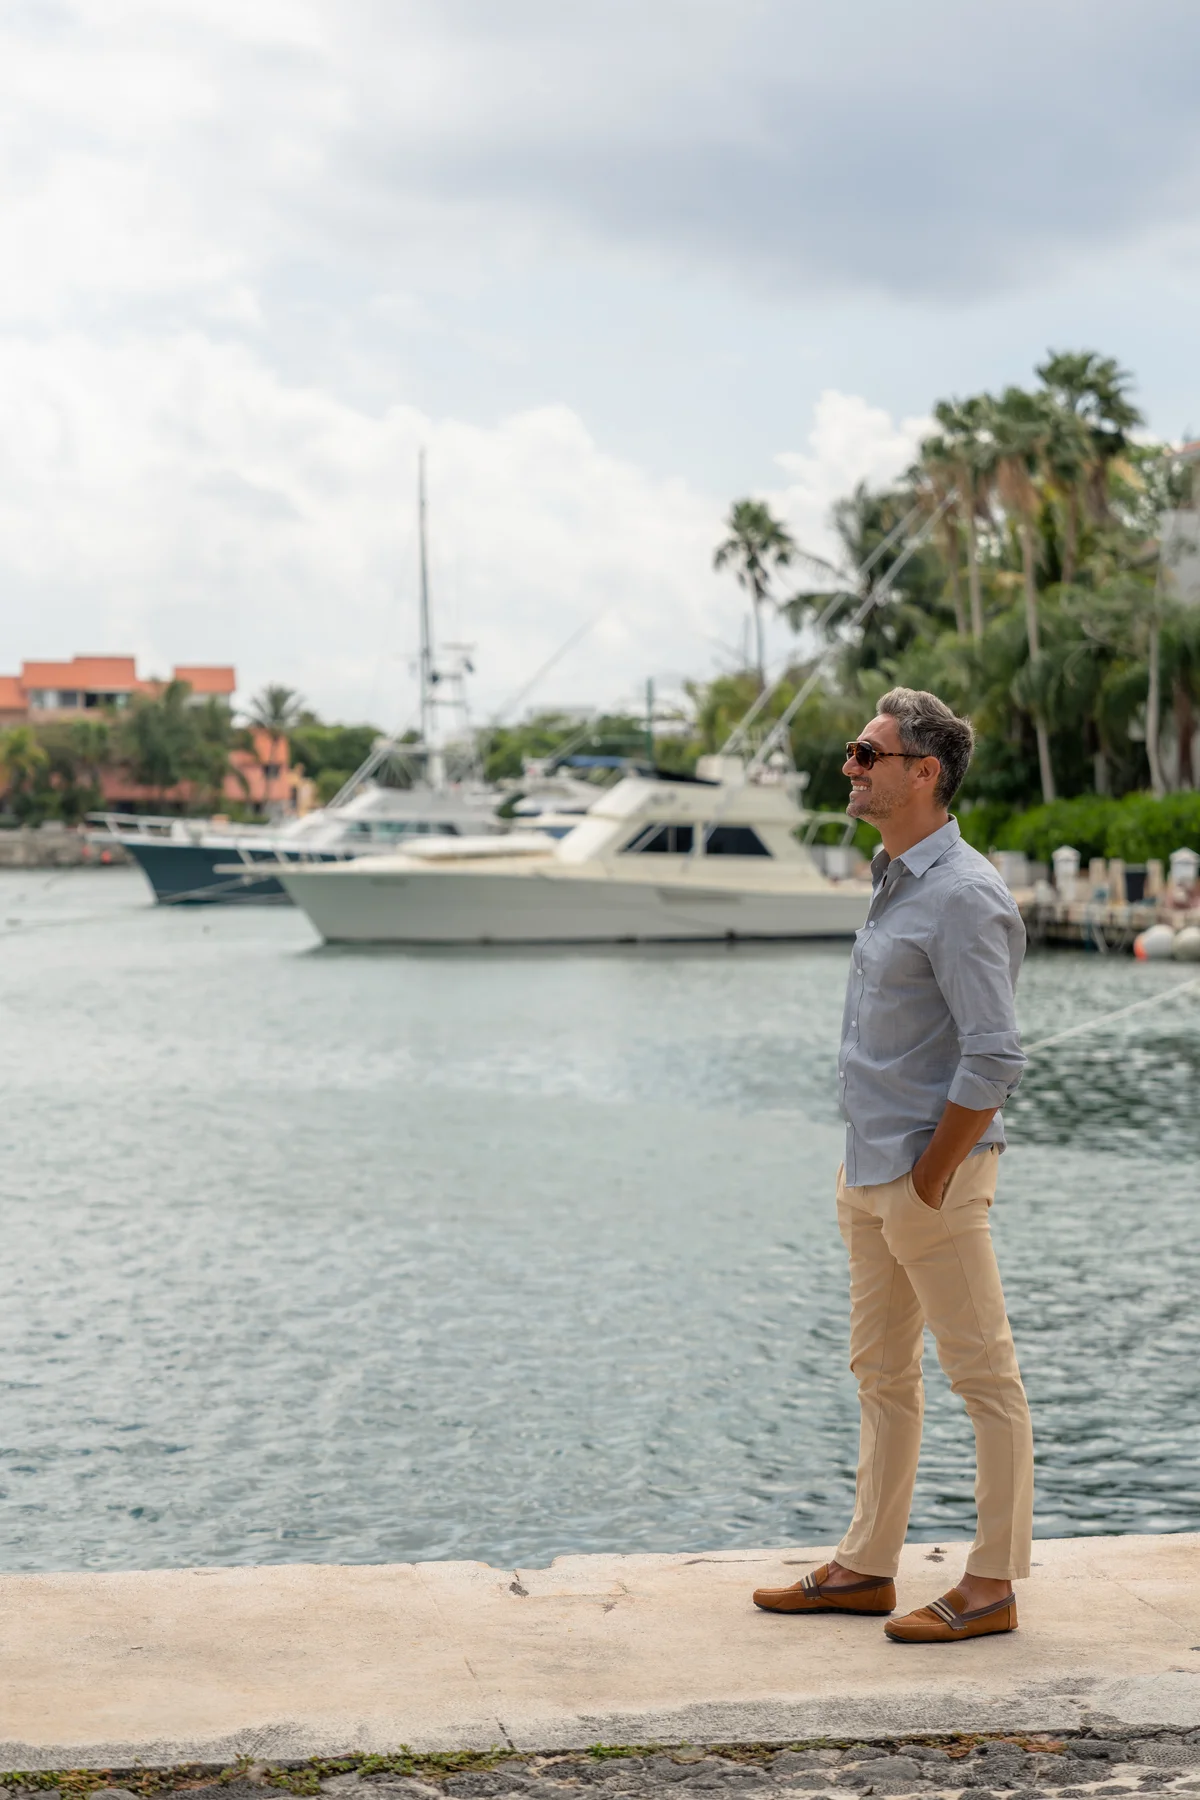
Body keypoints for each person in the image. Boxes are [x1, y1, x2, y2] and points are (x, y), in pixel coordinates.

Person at [753, 687, 1033, 1644]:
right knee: (880, 1371)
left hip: (929, 1175)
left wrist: (931, 1175)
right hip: (868, 1171)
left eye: (867, 754)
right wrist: (879, 1178)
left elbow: (993, 1054)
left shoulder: (963, 893)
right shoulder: (894, 878)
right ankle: (867, 1567)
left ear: (926, 772)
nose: (851, 767)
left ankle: (991, 1582)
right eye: (853, 752)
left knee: (983, 1377)